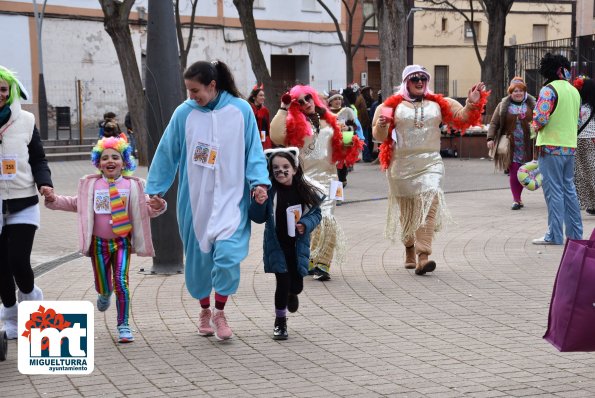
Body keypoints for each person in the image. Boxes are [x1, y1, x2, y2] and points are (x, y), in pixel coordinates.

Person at [145, 60, 270, 341]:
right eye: (188, 91)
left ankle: (220, 312)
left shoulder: (241, 111)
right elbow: (167, 152)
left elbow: (254, 151)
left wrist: (259, 183)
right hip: (195, 201)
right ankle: (204, 310)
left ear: (212, 85)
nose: (191, 96)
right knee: (199, 262)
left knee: (227, 257)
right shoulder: (184, 114)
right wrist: (155, 190)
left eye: (195, 90)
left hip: (232, 199)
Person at [44, 137, 166, 343]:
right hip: (98, 244)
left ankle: (123, 325)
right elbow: (76, 203)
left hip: (121, 243)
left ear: (125, 162)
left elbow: (145, 210)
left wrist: (157, 205)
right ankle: (103, 292)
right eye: (105, 157)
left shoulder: (133, 185)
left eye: (115, 157)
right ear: (98, 163)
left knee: (121, 282)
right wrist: (53, 200)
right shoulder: (91, 184)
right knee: (104, 284)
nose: (110, 161)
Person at [372, 65, 488, 275]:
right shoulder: (390, 106)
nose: (419, 82)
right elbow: (379, 137)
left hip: (431, 163)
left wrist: (472, 102)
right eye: (414, 78)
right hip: (402, 165)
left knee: (428, 204)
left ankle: (423, 256)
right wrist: (381, 125)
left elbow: (462, 118)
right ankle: (409, 246)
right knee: (408, 212)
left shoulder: (438, 103)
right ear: (406, 81)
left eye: (423, 79)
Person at [270, 85, 363, 281]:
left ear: (314, 98)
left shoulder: (330, 120)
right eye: (300, 101)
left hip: (329, 178)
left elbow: (342, 152)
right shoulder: (292, 122)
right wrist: (283, 107)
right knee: (309, 222)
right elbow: (276, 135)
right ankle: (311, 258)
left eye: (308, 98)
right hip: (305, 180)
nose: (306, 103)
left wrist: (348, 139)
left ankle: (323, 263)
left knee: (327, 218)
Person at [0, 66, 53, 339]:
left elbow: (38, 159)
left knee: (18, 260)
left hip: (23, 201)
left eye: (3, 89)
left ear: (10, 92)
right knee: (1, 267)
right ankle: (10, 316)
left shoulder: (26, 120)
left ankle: (31, 303)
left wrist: (45, 183)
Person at [249, 147, 323, 340]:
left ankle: (293, 292)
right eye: (275, 167)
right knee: (282, 282)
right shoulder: (268, 191)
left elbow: (316, 214)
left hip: (297, 247)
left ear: (295, 169)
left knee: (296, 285)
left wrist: (305, 224)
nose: (280, 171)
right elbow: (257, 218)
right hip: (277, 246)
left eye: (285, 166)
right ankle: (280, 322)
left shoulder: (303, 191)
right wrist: (258, 202)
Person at [531, 53, 582, 245]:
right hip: (569, 146)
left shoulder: (548, 90)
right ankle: (575, 235)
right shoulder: (574, 91)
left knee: (554, 192)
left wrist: (534, 125)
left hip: (550, 147)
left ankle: (554, 235)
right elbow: (578, 120)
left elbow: (541, 118)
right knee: (569, 189)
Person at [487, 77, 536, 210]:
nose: (518, 93)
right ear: (510, 92)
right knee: (515, 170)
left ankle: (519, 196)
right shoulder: (503, 105)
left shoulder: (532, 105)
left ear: (524, 92)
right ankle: (517, 200)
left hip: (528, 144)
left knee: (524, 171)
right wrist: (490, 138)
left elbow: (539, 121)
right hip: (511, 144)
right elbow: (494, 123)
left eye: (520, 90)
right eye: (515, 91)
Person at [327, 90, 363, 188]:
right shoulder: (326, 113)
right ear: (330, 101)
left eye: (339, 98)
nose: (338, 101)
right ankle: (336, 194)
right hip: (331, 142)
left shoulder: (347, 111)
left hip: (346, 139)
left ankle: (341, 183)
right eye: (335, 99)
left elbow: (355, 127)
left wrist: (348, 128)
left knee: (342, 169)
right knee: (334, 168)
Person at [572, 76, 595, 216]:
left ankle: (591, 203)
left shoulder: (582, 108)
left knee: (585, 175)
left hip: (582, 141)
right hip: (591, 140)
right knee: (590, 174)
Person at [248, 84, 272, 149]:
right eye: (260, 95)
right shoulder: (249, 109)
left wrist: (264, 140)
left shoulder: (265, 110)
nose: (263, 97)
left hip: (263, 138)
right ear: (254, 97)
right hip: (251, 138)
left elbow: (267, 128)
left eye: (263, 96)